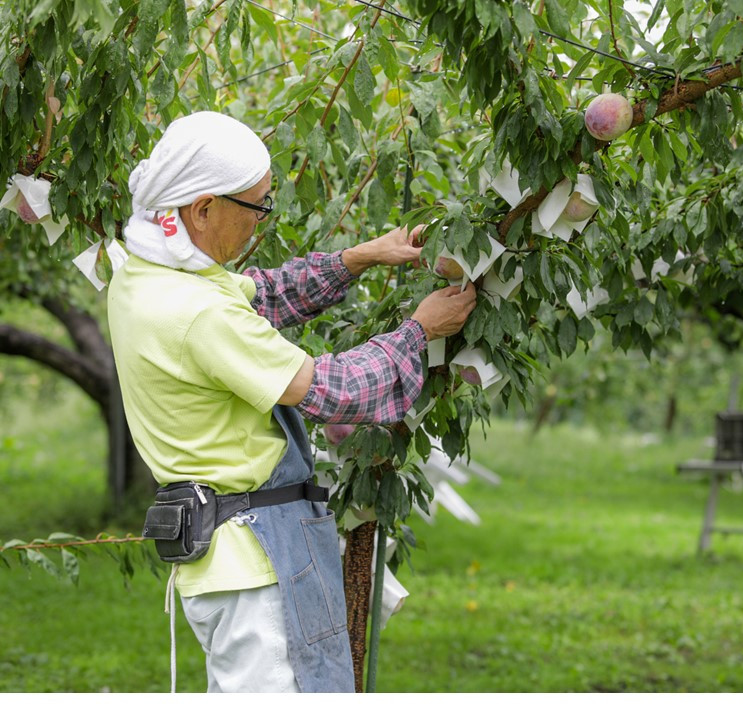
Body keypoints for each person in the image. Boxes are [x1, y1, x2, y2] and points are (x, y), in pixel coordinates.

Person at [106, 111, 476, 693]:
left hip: (230, 555)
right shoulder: (199, 314)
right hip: (258, 562)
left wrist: (361, 256)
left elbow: (267, 295)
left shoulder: (144, 275)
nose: (260, 222)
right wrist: (418, 331)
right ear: (202, 208)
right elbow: (335, 391)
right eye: (257, 206)